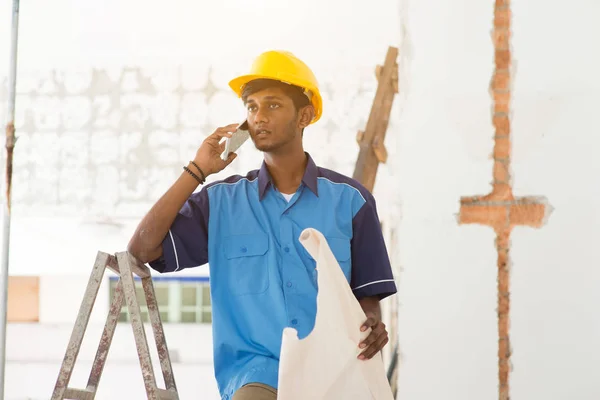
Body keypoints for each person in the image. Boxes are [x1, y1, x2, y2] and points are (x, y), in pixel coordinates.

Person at [127, 50, 397, 400]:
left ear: (305, 115)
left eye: (272, 105)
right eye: (252, 107)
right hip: (257, 373)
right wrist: (197, 170)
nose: (258, 117)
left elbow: (368, 298)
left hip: (335, 372)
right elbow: (142, 249)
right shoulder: (220, 203)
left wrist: (373, 323)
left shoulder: (351, 201)